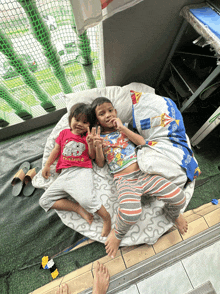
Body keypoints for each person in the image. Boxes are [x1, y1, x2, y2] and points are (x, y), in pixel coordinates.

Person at [90, 97, 188, 258]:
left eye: (110, 110)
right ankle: (118, 233)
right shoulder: (100, 138)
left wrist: (122, 128)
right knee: (130, 213)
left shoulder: (125, 128)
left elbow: (142, 141)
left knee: (179, 197)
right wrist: (98, 147)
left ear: (115, 111)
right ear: (97, 121)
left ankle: (173, 214)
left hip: (145, 174)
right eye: (102, 113)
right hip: (125, 181)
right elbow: (100, 164)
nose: (108, 115)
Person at [39, 103, 111, 237]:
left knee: (87, 200)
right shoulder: (64, 133)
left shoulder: (86, 137)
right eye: (77, 120)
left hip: (81, 171)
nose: (79, 124)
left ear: (89, 126)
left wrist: (90, 144)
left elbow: (92, 157)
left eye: (84, 122)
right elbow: (56, 150)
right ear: (71, 119)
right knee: (44, 201)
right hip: (64, 174)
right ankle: (77, 208)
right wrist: (47, 165)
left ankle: (106, 217)